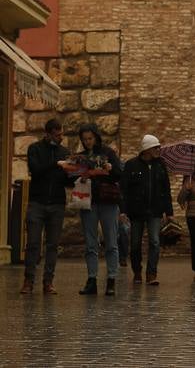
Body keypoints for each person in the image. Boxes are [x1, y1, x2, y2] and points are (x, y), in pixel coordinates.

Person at [20, 118, 72, 295]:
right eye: (57, 135)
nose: (61, 138)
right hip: (37, 202)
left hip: (57, 203)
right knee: (33, 243)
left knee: (52, 244)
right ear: (48, 134)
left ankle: (48, 282)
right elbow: (35, 170)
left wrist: (78, 174)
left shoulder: (65, 152)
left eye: (61, 134)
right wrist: (56, 164)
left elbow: (67, 181)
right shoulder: (35, 149)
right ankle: (28, 280)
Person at [75, 123, 122, 296]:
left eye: (90, 138)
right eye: (84, 139)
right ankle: (92, 279)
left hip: (107, 200)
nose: (88, 142)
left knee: (111, 240)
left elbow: (119, 174)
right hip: (88, 200)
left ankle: (111, 279)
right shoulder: (80, 156)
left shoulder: (108, 153)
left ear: (96, 137)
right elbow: (69, 177)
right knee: (90, 242)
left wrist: (109, 169)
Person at [121, 134, 173, 285]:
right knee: (135, 243)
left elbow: (166, 189)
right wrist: (123, 210)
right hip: (136, 211)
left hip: (155, 211)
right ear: (147, 149)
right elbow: (124, 189)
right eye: (155, 147)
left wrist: (169, 212)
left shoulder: (160, 165)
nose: (158, 150)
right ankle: (137, 271)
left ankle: (151, 273)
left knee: (155, 242)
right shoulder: (131, 165)